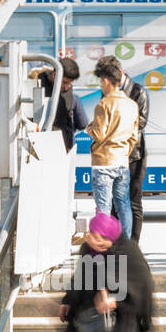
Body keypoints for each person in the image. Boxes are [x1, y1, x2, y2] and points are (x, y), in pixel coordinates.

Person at [95, 55, 150, 241]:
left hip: (133, 154)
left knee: (132, 202)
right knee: (113, 204)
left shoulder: (138, 91)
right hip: (112, 154)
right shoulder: (107, 92)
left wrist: (118, 130)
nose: (103, 83)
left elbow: (141, 122)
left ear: (118, 73)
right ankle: (115, 243)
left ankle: (132, 245)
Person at [86, 58, 140, 239]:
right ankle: (126, 243)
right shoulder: (132, 105)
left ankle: (103, 243)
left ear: (107, 81)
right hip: (122, 161)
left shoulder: (103, 105)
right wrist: (124, 150)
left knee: (103, 207)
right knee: (123, 205)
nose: (101, 85)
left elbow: (99, 133)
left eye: (101, 81)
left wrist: (88, 128)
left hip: (103, 163)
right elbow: (134, 136)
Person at [39, 57, 89, 154]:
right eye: (65, 82)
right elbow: (82, 123)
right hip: (51, 148)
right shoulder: (38, 86)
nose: (67, 87)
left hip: (58, 148)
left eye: (70, 84)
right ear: (54, 75)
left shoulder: (68, 91)